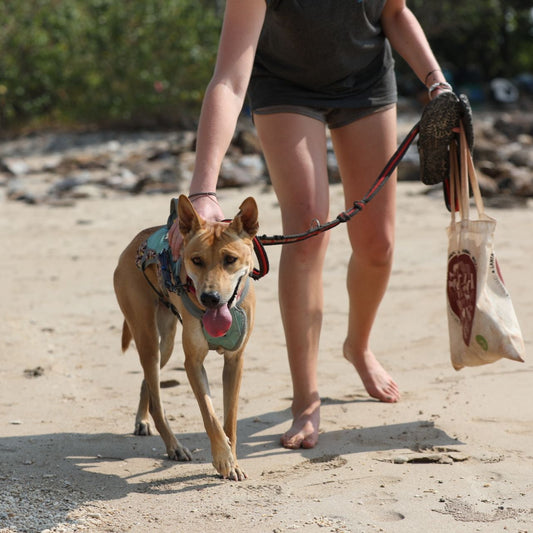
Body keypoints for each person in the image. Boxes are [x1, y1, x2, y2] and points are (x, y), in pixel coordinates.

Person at [168, 0, 454, 450]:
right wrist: (204, 186)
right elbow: (229, 78)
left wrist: (436, 82)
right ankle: (306, 398)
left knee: (377, 244)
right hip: (284, 87)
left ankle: (358, 347)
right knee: (307, 228)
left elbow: (394, 13)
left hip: (366, 81)